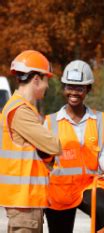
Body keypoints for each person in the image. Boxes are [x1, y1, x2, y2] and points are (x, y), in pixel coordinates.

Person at [44, 60, 104, 233]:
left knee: (102, 209)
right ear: (64, 88)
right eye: (70, 87)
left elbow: (103, 155)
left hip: (89, 186)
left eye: (79, 88)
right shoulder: (50, 122)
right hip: (59, 191)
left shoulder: (99, 120)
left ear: (88, 90)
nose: (73, 92)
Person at [0, 50, 61, 233]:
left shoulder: (22, 109)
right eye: (46, 80)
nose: (46, 86)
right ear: (36, 79)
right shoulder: (20, 111)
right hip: (24, 201)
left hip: (26, 200)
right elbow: (53, 145)